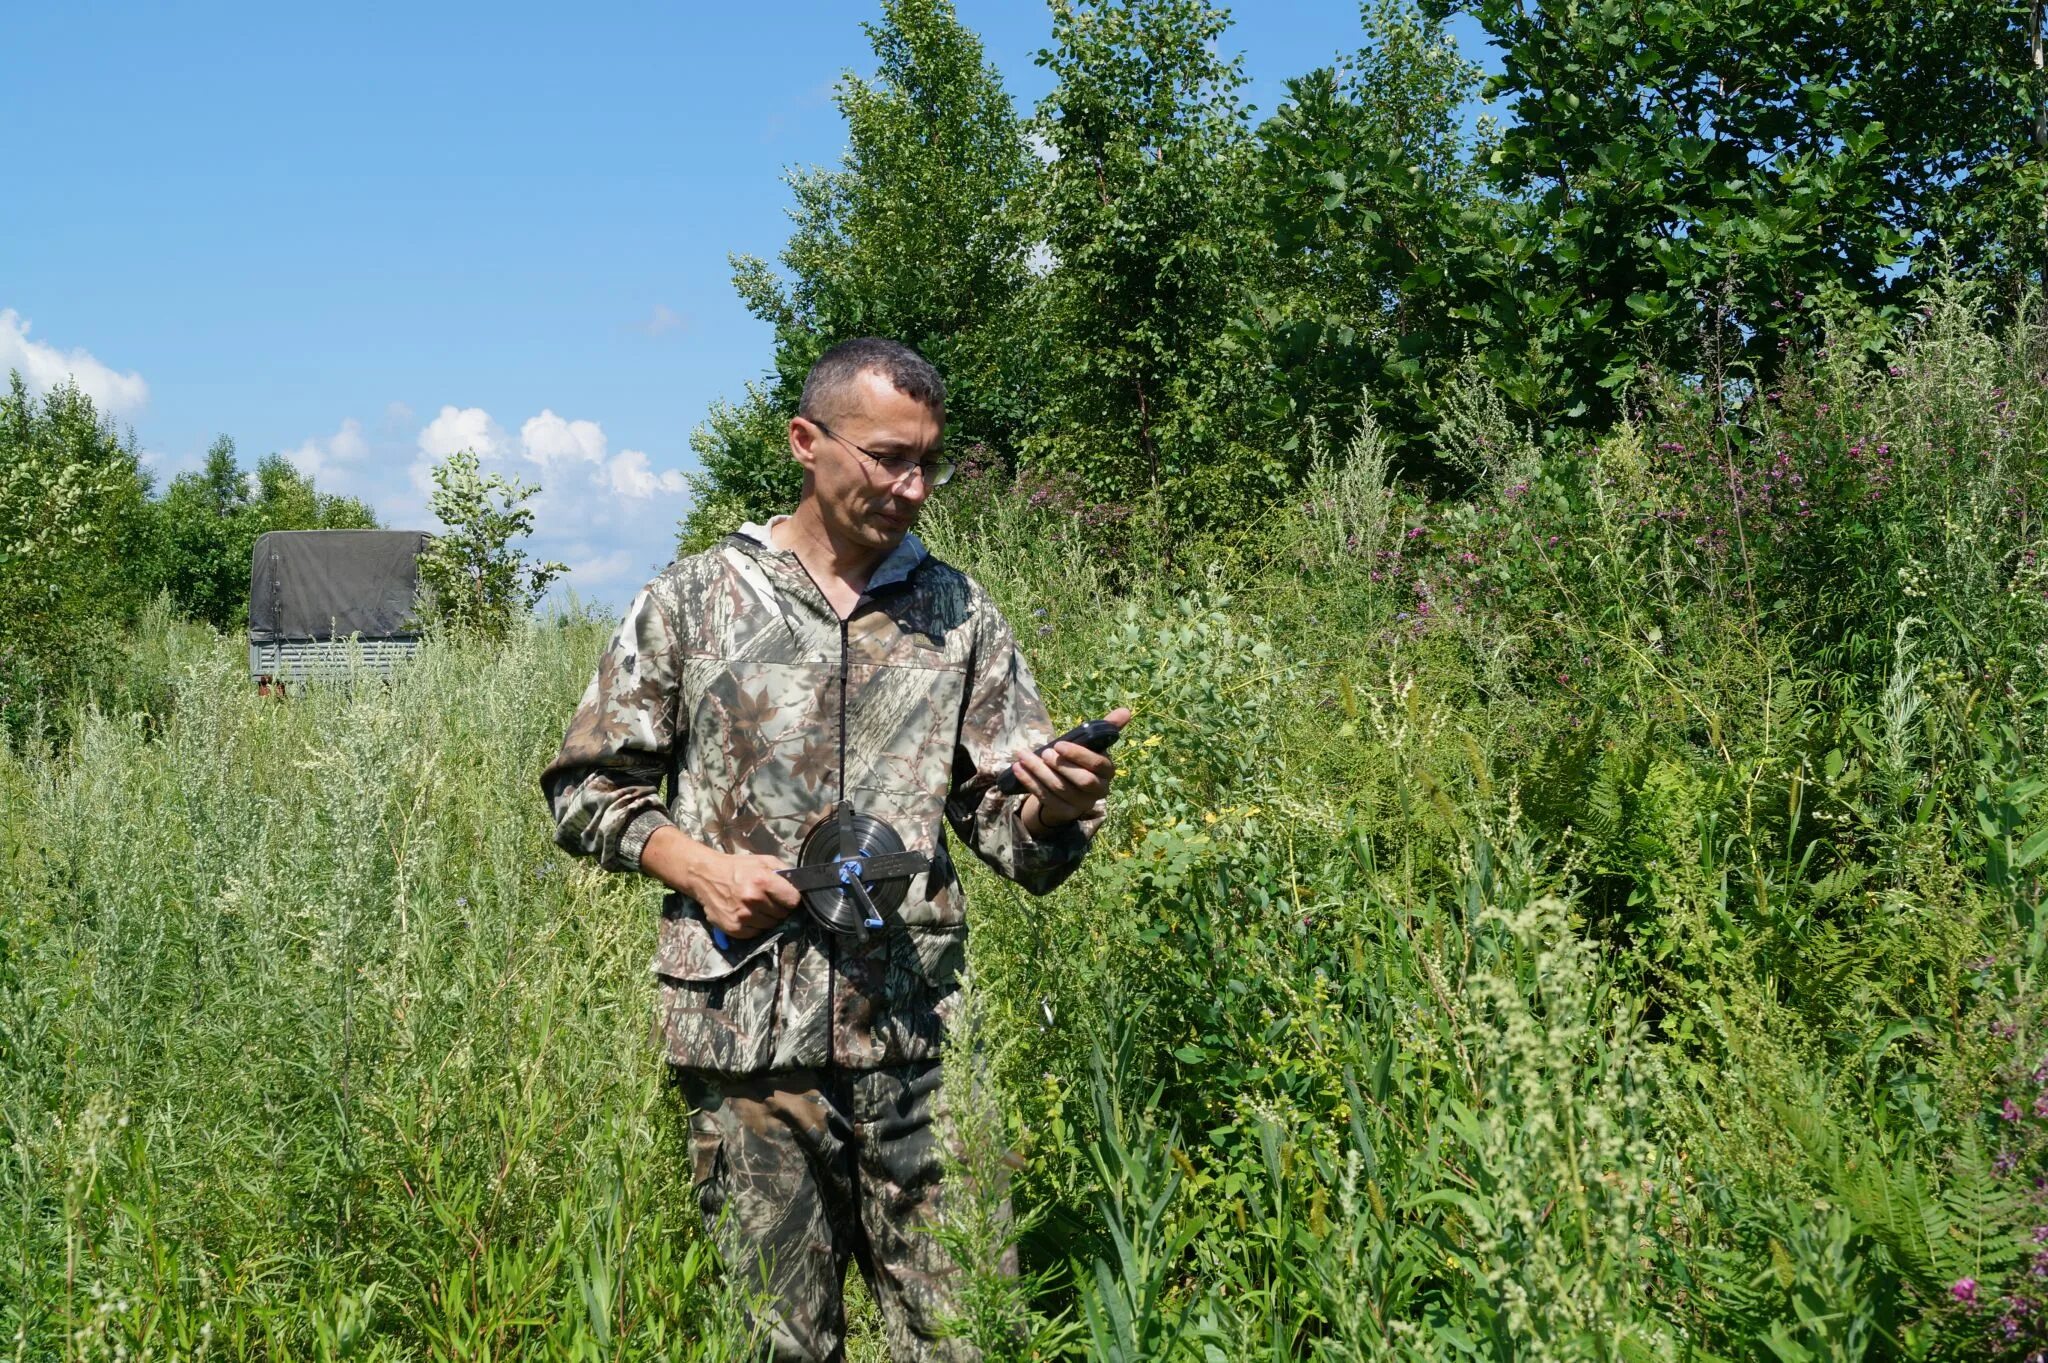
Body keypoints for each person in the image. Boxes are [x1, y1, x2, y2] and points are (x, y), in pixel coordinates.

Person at [541, 336, 1128, 1362]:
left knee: (964, 1337)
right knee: (779, 1344)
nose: (910, 488)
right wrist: (698, 868)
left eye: (927, 463)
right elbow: (584, 787)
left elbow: (1006, 832)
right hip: (745, 1042)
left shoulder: (956, 614)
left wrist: (1049, 808)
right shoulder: (695, 601)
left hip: (914, 1040)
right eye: (886, 458)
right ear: (806, 443)